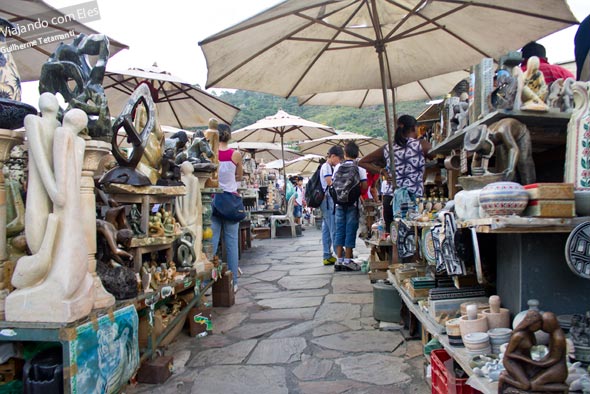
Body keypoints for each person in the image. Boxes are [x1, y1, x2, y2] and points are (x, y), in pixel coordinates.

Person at [360, 115, 431, 225]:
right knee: (413, 237)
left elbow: (362, 162)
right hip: (412, 199)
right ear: (414, 128)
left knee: (393, 238)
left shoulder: (388, 148)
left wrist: (382, 171)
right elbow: (440, 154)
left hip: (391, 198)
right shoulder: (422, 145)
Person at [211, 123, 243, 293]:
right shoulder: (235, 155)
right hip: (231, 200)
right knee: (232, 244)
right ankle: (233, 282)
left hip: (214, 200)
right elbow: (240, 175)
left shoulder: (210, 154)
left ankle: (206, 282)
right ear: (229, 136)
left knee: (212, 242)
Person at [333, 142, 368, 271]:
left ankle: (339, 260)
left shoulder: (338, 167)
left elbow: (334, 184)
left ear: (345, 153)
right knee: (350, 230)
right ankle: (348, 260)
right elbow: (364, 186)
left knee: (339, 230)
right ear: (357, 154)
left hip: (339, 203)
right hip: (352, 203)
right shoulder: (360, 168)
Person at [320, 146, 343, 266]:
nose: (338, 162)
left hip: (325, 201)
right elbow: (330, 183)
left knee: (326, 228)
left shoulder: (326, 166)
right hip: (328, 201)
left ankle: (327, 255)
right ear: (333, 156)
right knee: (333, 227)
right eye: (338, 159)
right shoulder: (327, 167)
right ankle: (339, 253)